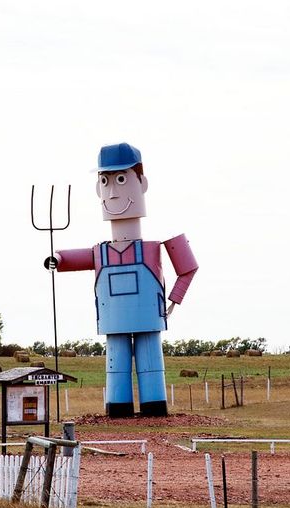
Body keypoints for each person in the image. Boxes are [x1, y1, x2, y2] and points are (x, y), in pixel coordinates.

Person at [47, 143, 198, 417]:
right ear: (97, 190)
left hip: (148, 318)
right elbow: (70, 259)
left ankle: (154, 405)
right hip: (114, 319)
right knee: (116, 366)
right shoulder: (100, 251)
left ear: (142, 184)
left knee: (150, 363)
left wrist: (174, 299)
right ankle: (119, 407)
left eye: (121, 179)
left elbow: (188, 267)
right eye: (105, 181)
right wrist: (56, 258)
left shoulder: (153, 247)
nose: (113, 192)